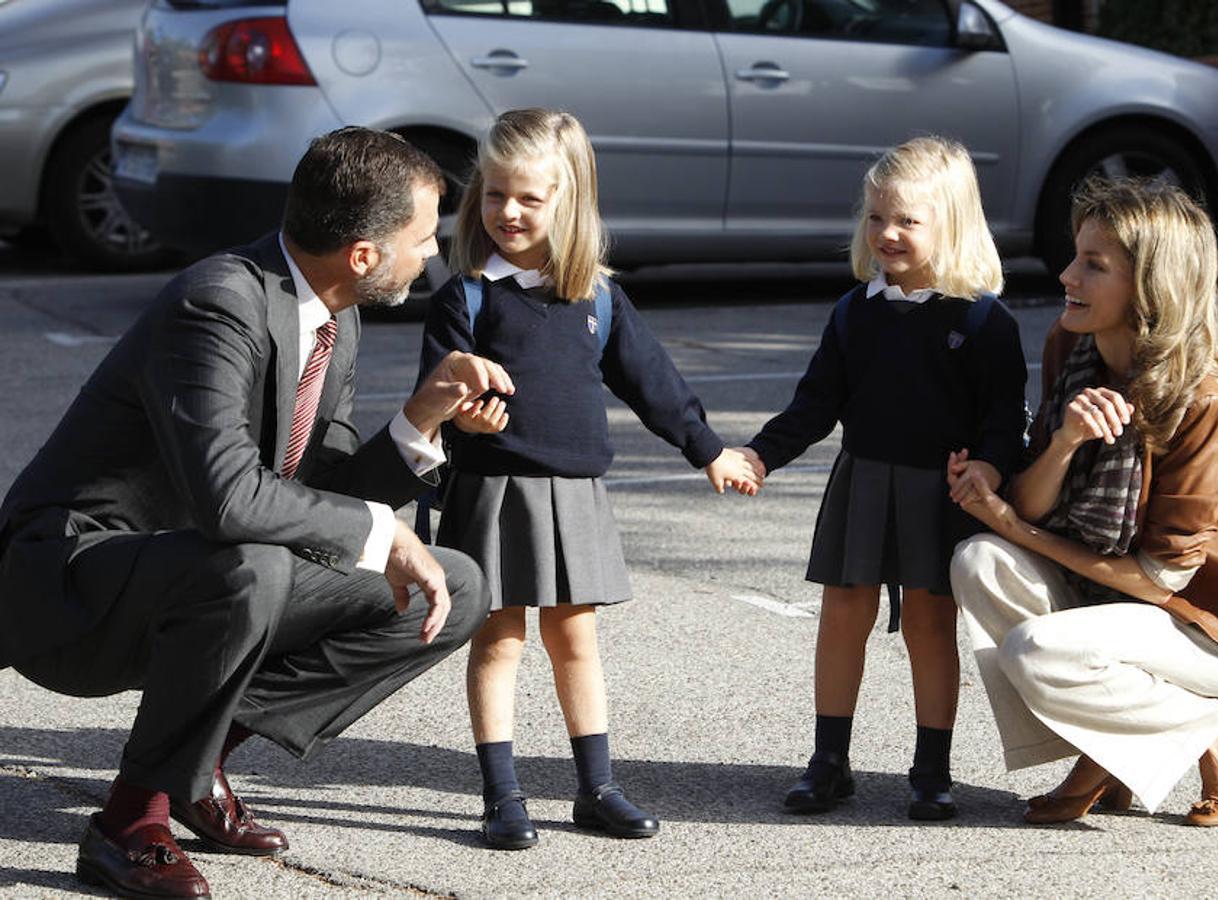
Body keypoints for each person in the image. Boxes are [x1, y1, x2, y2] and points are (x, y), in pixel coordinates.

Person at [0, 127, 510, 898]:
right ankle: (128, 822)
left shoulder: (336, 318)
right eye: (422, 238)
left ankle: (187, 769)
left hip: (202, 578)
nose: (433, 256)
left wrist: (421, 419)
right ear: (363, 254)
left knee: (457, 586)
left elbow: (327, 489)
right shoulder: (218, 299)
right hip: (75, 586)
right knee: (255, 563)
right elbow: (229, 496)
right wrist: (382, 532)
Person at [418, 108, 759, 850]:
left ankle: (596, 788)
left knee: (575, 639)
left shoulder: (596, 297)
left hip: (575, 492)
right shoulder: (465, 296)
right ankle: (501, 795)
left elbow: (652, 381)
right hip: (492, 493)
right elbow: (433, 394)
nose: (508, 212)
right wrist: (460, 419)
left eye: (529, 198)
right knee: (499, 640)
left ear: (567, 203)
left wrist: (708, 449)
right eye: (495, 195)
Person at [949, 177, 1218, 826]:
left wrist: (1015, 528)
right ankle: (1121, 747)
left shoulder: (1205, 407)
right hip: (1115, 598)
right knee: (978, 561)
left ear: (1151, 288)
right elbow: (1033, 503)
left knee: (1036, 648)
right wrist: (1066, 443)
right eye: (1077, 256)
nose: (1066, 274)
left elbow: (1157, 579)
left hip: (1209, 628)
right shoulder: (1070, 346)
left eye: (1094, 265)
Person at [735, 136, 1028, 820]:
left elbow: (1002, 421)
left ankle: (932, 769)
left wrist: (988, 463)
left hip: (942, 494)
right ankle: (828, 761)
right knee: (841, 617)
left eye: (906, 221)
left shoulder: (985, 320)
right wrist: (760, 455)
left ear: (950, 224)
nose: (886, 233)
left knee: (931, 622)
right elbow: (814, 404)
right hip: (862, 482)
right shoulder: (854, 312)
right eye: (875, 218)